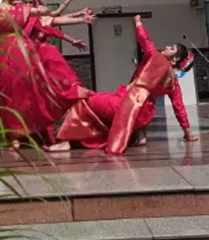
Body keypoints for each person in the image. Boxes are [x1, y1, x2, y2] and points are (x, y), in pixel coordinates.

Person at [0, 0, 96, 147]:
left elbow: (49, 14)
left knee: (27, 89)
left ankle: (39, 123)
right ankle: (14, 137)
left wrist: (39, 1)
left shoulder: (23, 9)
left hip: (21, 51)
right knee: (8, 93)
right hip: (1, 53)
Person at [47, 15, 199, 154]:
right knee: (145, 105)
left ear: (175, 59)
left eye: (171, 48)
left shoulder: (155, 58)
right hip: (141, 117)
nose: (166, 47)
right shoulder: (173, 84)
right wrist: (188, 134)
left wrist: (137, 22)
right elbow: (179, 108)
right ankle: (140, 136)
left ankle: (65, 141)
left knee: (85, 100)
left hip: (126, 107)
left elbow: (144, 40)